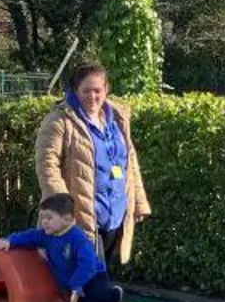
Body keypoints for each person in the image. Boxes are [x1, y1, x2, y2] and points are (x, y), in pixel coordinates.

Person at [35, 62, 151, 267]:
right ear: (75, 91)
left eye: (97, 90)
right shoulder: (59, 121)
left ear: (106, 89)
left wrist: (139, 203)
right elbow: (47, 165)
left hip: (115, 215)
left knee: (100, 279)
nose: (92, 96)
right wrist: (61, 208)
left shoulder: (117, 119)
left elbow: (129, 161)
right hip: (80, 217)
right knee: (86, 284)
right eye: (86, 91)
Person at [0, 193, 123, 302]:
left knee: (95, 297)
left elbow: (88, 264)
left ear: (67, 219)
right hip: (72, 281)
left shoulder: (77, 238)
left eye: (49, 218)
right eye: (42, 217)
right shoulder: (45, 235)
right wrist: (9, 241)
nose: (44, 222)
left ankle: (114, 294)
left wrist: (76, 285)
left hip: (93, 277)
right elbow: (29, 236)